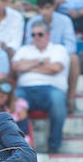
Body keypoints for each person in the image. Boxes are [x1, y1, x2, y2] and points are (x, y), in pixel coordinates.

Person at [12, 20, 70, 154]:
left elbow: (55, 68)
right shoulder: (24, 50)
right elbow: (16, 66)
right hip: (25, 90)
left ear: (48, 34)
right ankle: (17, 145)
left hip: (51, 89)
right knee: (13, 100)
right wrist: (41, 61)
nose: (36, 37)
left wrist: (29, 67)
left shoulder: (58, 49)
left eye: (40, 34)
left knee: (58, 100)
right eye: (33, 35)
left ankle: (54, 144)